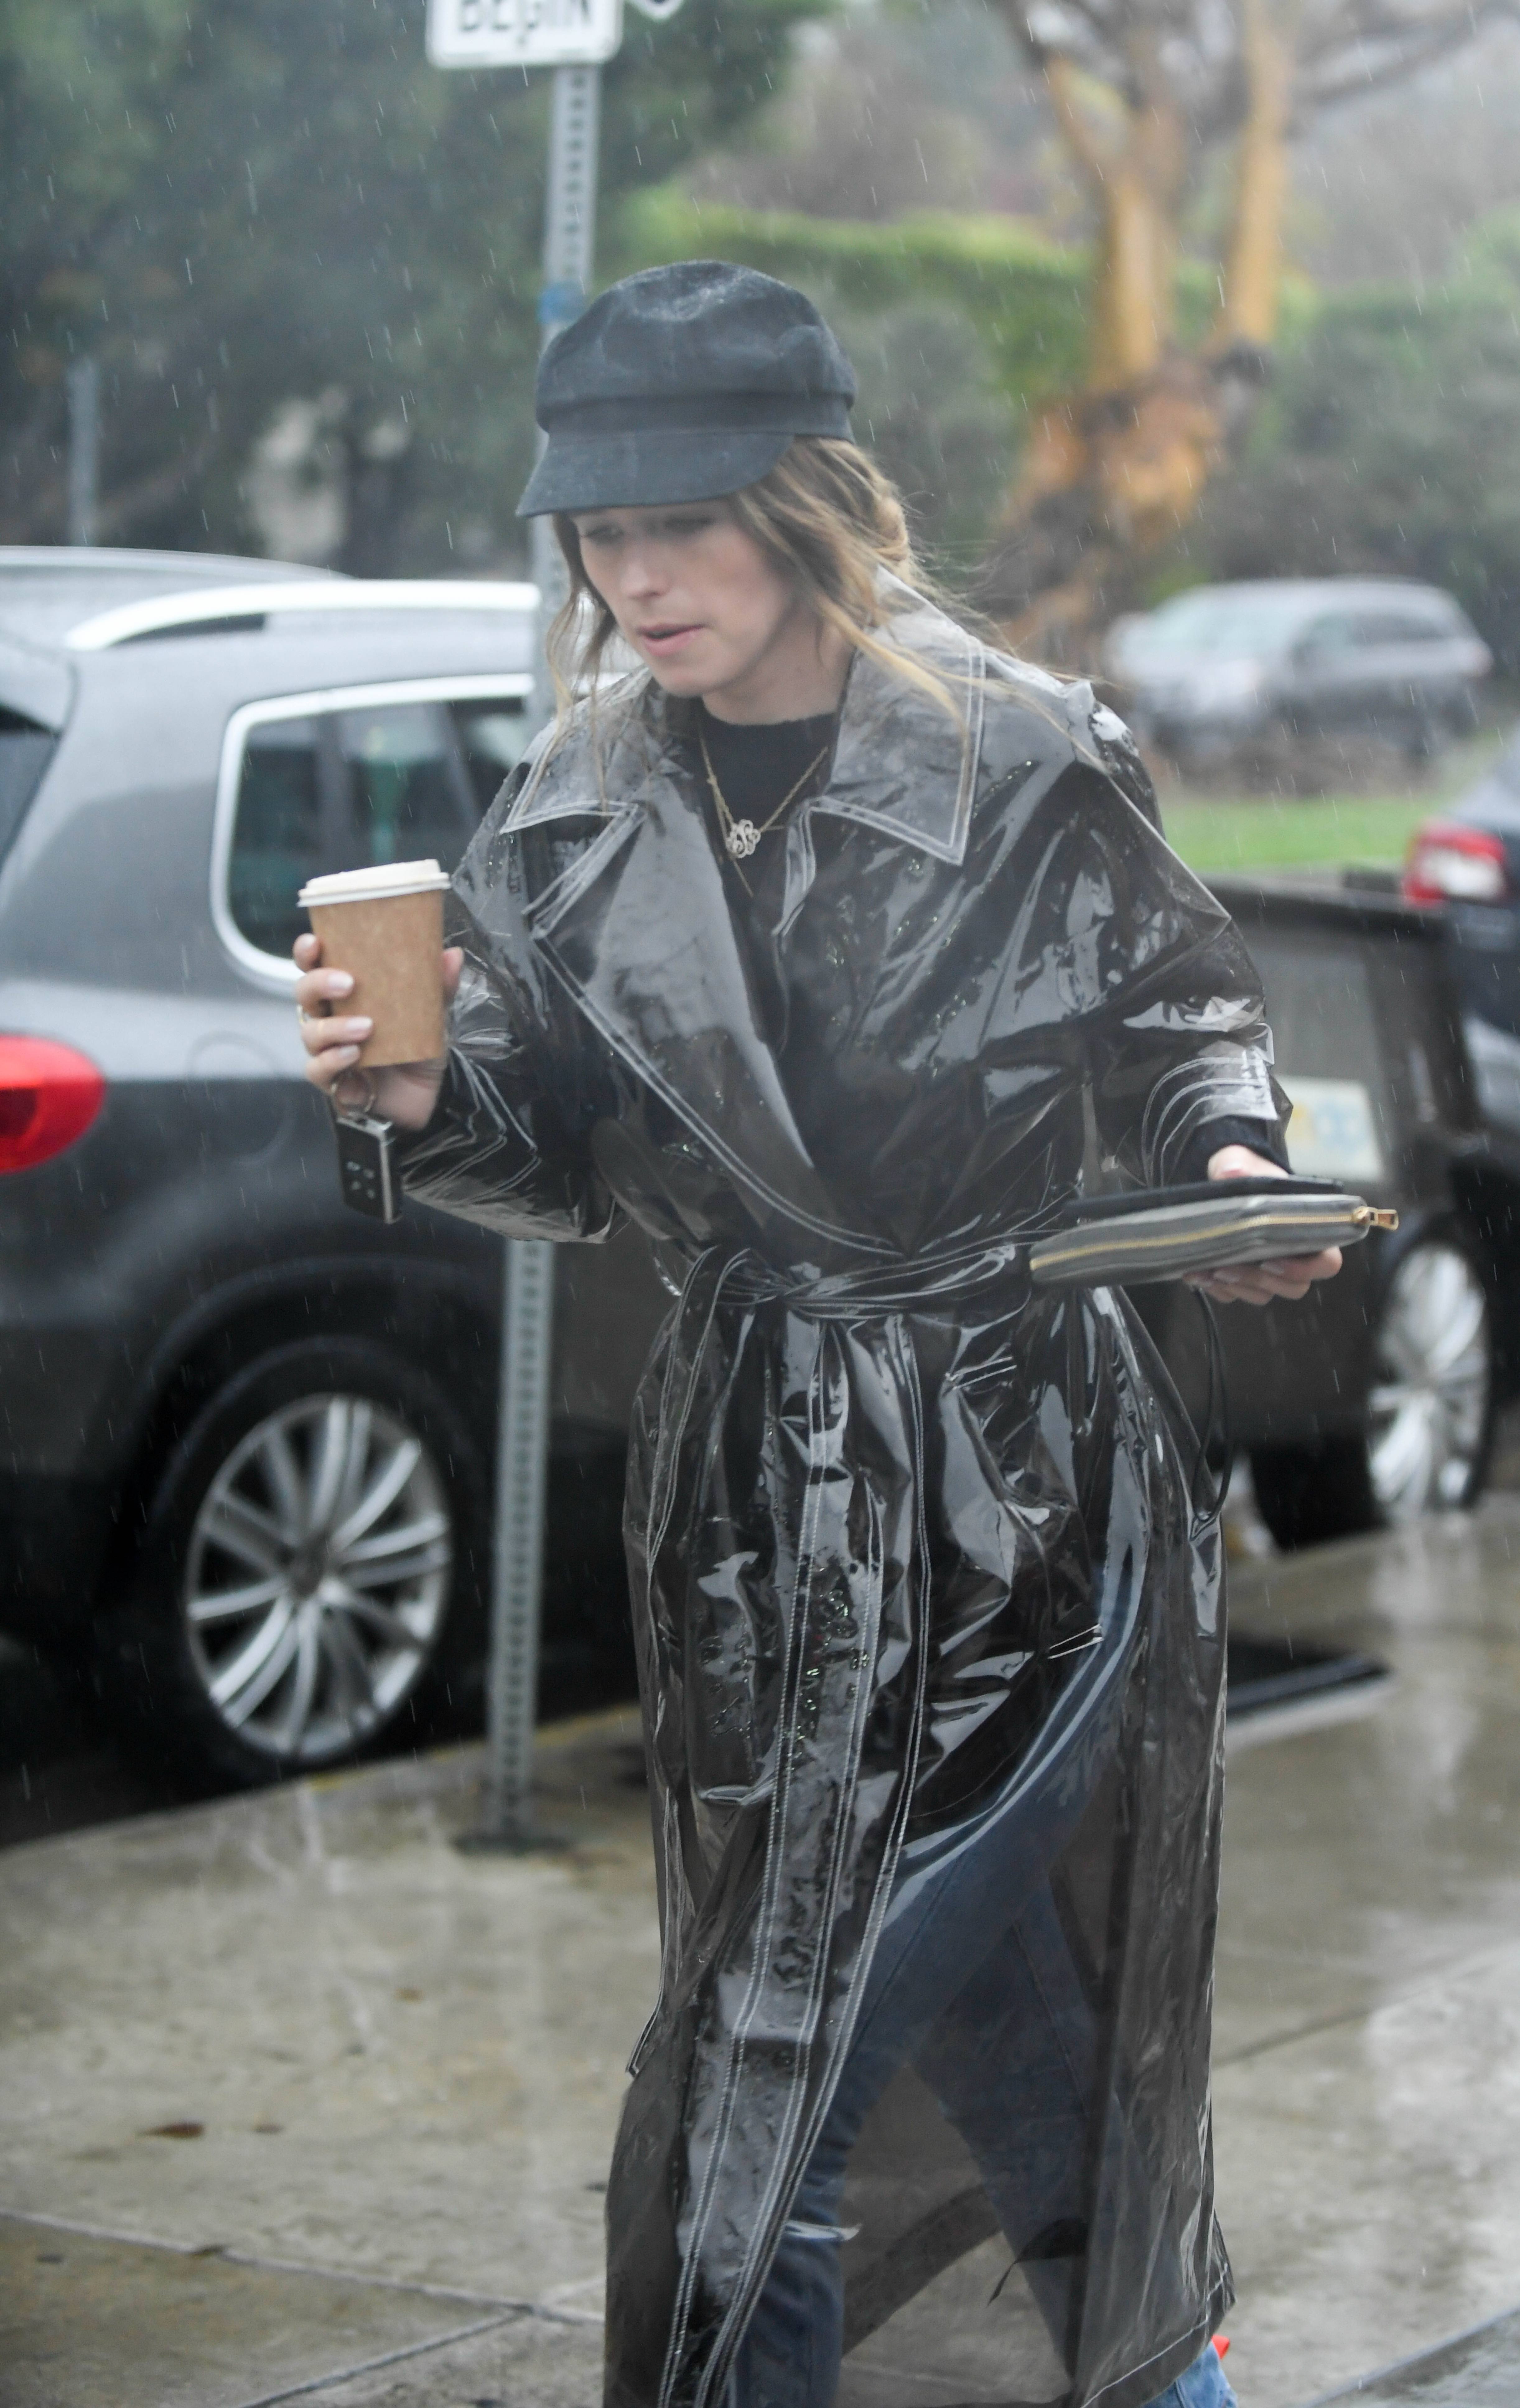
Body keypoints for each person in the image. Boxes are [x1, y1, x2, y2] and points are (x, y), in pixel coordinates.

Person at [296, 262, 1339, 2408]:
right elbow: (568, 1138)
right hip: (750, 1505)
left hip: (1011, 1500)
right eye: (596, 533)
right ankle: (1175, 2394)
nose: (636, 576)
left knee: (743, 2120)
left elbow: (1180, 1012)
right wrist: (425, 1102)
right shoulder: (576, 805)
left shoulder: (1023, 753)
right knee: (1007, 2048)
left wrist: (1223, 1156)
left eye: (680, 521)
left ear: (804, 500)